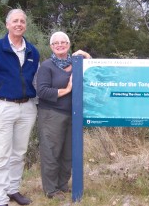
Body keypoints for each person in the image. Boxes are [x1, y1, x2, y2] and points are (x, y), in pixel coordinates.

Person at [0, 9, 40, 206]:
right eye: (15, 21)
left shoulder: (33, 51)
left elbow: (37, 82)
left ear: (25, 25)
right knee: (2, 154)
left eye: (22, 21)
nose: (19, 24)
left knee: (19, 153)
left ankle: (13, 190)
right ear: (7, 25)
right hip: (3, 107)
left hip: (27, 108)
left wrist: (36, 103)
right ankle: (0, 197)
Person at [36, 31, 91, 200]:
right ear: (51, 47)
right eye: (56, 43)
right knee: (51, 153)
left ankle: (62, 185)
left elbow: (93, 69)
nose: (60, 45)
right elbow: (42, 91)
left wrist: (86, 55)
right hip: (51, 114)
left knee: (68, 153)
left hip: (73, 115)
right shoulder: (47, 66)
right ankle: (51, 190)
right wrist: (66, 90)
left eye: (63, 42)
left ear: (69, 44)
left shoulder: (77, 63)